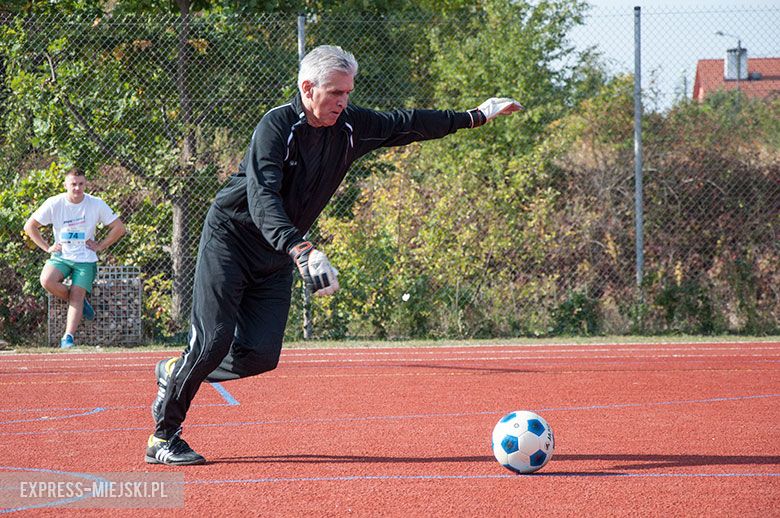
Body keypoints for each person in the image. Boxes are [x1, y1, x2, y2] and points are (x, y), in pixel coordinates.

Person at [145, 45, 523, 465]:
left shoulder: (350, 126)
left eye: (348, 92)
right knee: (212, 340)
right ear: (308, 88)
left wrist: (477, 115)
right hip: (232, 240)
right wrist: (301, 248)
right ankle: (163, 436)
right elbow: (262, 198)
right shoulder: (276, 127)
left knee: (260, 356)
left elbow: (409, 123)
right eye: (335, 93)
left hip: (278, 254)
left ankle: (179, 371)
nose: (344, 101)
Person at [24, 167, 126, 348]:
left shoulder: (96, 203)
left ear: (86, 184)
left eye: (81, 184)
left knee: (77, 296)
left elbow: (119, 228)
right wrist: (47, 247)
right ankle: (77, 300)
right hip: (61, 256)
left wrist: (100, 245)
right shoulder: (54, 203)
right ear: (65, 185)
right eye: (73, 184)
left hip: (85, 258)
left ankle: (67, 338)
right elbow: (30, 226)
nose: (77, 188)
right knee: (46, 280)